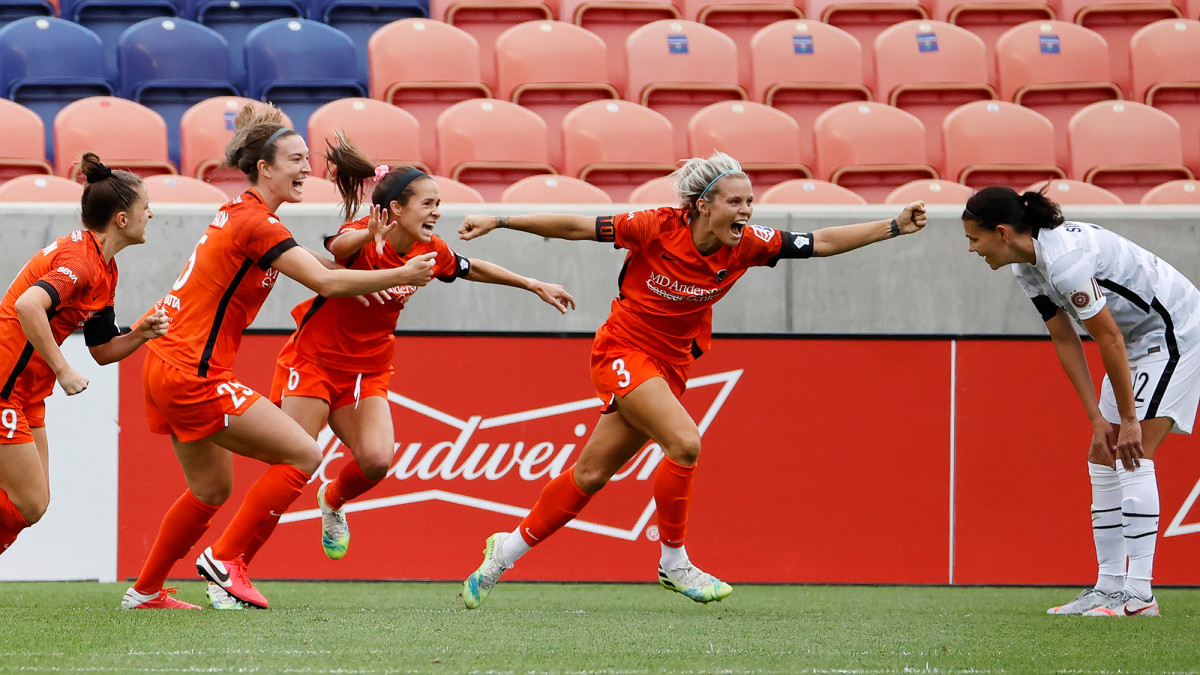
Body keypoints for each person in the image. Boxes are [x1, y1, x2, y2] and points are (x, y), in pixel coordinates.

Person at [455, 152, 927, 608]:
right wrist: (501, 221)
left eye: (749, 202)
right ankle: (674, 562)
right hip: (622, 350)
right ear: (703, 205)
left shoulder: (750, 243)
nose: (745, 211)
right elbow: (578, 227)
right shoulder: (654, 225)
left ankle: (504, 552)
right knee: (685, 444)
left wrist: (893, 227)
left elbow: (819, 242)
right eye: (735, 202)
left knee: (591, 475)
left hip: (672, 365)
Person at [121, 104, 441, 611]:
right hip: (192, 370)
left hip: (166, 360)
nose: (306, 168)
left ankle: (144, 592)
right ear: (264, 168)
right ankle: (226, 561)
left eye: (306, 159)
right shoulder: (257, 223)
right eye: (295, 159)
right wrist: (397, 276)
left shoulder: (246, 216)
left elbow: (322, 261)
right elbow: (328, 281)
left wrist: (370, 260)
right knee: (304, 454)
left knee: (210, 489)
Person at [270, 134, 575, 561]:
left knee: (376, 462)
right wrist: (366, 239)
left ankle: (333, 502)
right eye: (428, 203)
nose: (437, 212)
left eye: (438, 203)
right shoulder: (364, 231)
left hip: (368, 369)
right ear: (395, 209)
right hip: (316, 358)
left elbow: (470, 268)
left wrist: (531, 283)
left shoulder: (429, 249)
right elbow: (337, 248)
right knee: (291, 463)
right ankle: (232, 558)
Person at [962, 185, 1200, 618]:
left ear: (1000, 233)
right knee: (1101, 454)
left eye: (973, 239)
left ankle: (1140, 595)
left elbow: (1106, 335)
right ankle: (1109, 588)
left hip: (1175, 331)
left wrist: (1128, 419)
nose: (972, 250)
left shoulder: (1065, 263)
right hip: (1136, 338)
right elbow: (1065, 337)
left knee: (1134, 451)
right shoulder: (1026, 268)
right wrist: (1096, 418)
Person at [0, 153, 170, 556]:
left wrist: (141, 333)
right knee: (29, 501)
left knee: (34, 504)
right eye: (145, 206)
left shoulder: (105, 269)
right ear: (122, 219)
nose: (153, 213)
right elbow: (27, 306)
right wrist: (63, 370)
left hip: (27, 394)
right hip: (5, 387)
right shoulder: (79, 261)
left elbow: (102, 349)